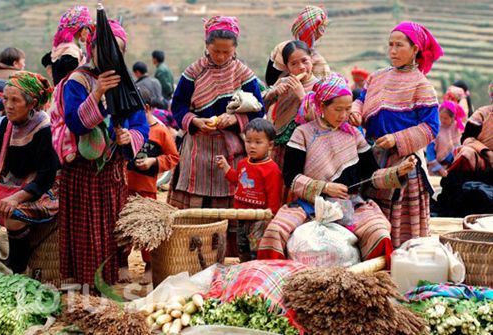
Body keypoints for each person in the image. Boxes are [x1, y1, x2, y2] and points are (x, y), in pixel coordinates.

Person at [257, 74, 416, 263]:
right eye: (338, 109)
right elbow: (290, 177)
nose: (343, 115)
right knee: (276, 231)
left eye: (348, 109)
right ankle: (277, 277)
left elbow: (371, 175)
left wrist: (398, 172)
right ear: (322, 106)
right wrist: (324, 187)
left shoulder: (354, 135)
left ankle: (370, 280)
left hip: (351, 204)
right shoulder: (303, 134)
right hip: (309, 205)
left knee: (379, 232)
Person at [56, 20, 149, 287]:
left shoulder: (125, 81)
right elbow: (74, 122)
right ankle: (86, 283)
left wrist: (127, 136)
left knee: (112, 227)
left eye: (118, 52)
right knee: (87, 231)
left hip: (112, 170)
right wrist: (97, 92)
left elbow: (140, 123)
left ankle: (112, 277)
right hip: (83, 170)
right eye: (106, 50)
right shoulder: (77, 80)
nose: (111, 57)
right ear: (91, 49)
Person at [168, 16, 264, 256]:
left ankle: (226, 255)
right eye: (216, 51)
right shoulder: (193, 72)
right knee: (196, 205)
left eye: (226, 52)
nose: (221, 56)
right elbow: (177, 106)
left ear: (235, 49)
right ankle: (190, 256)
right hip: (198, 149)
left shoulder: (244, 74)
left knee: (230, 203)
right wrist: (194, 121)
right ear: (206, 45)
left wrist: (236, 120)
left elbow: (259, 110)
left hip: (230, 149)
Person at [349, 21, 442, 247]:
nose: (392, 51)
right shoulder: (377, 77)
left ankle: (400, 260)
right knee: (370, 217)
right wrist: (354, 112)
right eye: (390, 45)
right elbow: (361, 101)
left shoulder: (422, 85)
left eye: (399, 45)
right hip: (372, 158)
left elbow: (431, 128)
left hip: (404, 162)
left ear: (415, 49)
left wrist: (396, 139)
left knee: (401, 226)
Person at [0, 72, 58, 273]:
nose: (8, 106)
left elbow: (46, 177)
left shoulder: (45, 129)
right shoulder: (6, 123)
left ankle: (18, 270)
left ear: (32, 103)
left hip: (43, 190)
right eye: (5, 99)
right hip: (13, 184)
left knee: (13, 215)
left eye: (15, 100)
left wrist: (15, 198)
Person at [124, 88, 179, 284]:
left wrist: (153, 162)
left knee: (147, 227)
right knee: (122, 226)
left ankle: (149, 264)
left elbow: (173, 157)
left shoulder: (160, 131)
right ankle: (123, 264)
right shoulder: (126, 128)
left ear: (146, 108)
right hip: (124, 187)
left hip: (146, 188)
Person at [216, 118, 283, 261]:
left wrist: (270, 217)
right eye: (248, 141)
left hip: (258, 218)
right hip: (241, 215)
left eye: (258, 142)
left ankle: (254, 272)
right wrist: (226, 168)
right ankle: (243, 271)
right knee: (242, 247)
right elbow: (238, 181)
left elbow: (274, 195)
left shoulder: (271, 169)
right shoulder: (242, 163)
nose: (252, 146)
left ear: (270, 145)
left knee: (255, 249)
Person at [433, 83, 492, 217]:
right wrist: (486, 152)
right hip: (478, 158)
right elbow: (467, 138)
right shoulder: (483, 113)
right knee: (466, 153)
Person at [264, 40, 319, 170]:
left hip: (306, 145)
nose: (301, 67)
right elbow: (262, 107)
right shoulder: (283, 82)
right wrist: (273, 92)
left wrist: (302, 96)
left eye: (305, 61)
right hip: (281, 145)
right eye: (294, 64)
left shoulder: (320, 86)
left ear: (311, 59)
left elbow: (318, 119)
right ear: (287, 67)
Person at [265, 5, 330, 86]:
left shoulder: (282, 48)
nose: (322, 32)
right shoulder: (319, 62)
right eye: (320, 28)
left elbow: (270, 81)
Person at [51, 5, 92, 85]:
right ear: (82, 29)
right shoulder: (72, 54)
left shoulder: (62, 47)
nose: (89, 32)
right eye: (88, 27)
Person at [426, 100, 465, 176]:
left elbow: (460, 148)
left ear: (453, 118)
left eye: (446, 118)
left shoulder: (457, 129)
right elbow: (429, 154)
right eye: (441, 117)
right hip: (436, 170)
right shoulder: (435, 130)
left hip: (453, 169)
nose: (442, 120)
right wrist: (440, 169)